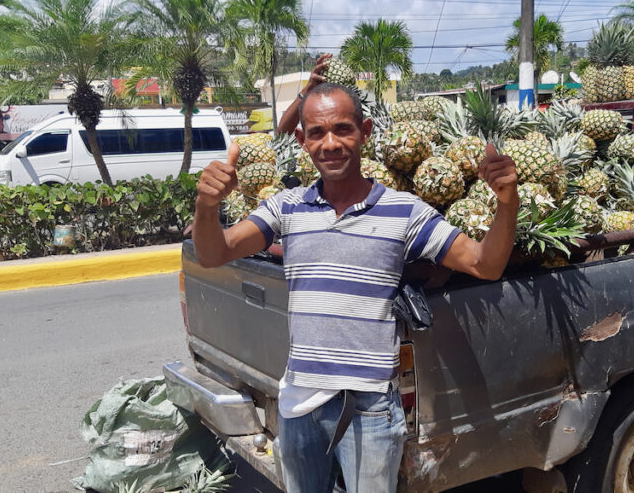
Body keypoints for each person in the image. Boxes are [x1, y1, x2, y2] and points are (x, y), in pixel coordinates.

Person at [191, 82, 519, 492]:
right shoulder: (286, 206)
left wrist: (507, 204)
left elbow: (484, 264)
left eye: (343, 129)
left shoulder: (404, 212)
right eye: (317, 133)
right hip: (299, 403)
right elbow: (214, 253)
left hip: (369, 408)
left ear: (364, 132)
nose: (330, 144)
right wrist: (206, 206)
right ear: (302, 140)